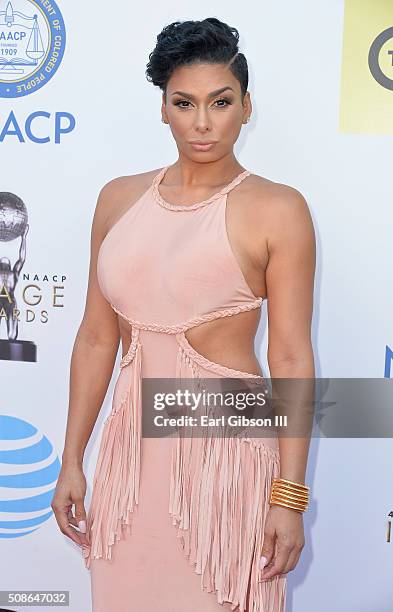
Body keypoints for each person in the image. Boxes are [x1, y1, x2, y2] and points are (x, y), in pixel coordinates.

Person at [51, 16, 315, 612]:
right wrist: (72, 459)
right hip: (129, 460)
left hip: (226, 457)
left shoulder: (278, 209)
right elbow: (96, 339)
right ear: (163, 108)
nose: (202, 123)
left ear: (246, 107)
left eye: (220, 102)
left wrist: (289, 495)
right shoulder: (118, 198)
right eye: (184, 103)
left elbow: (293, 355)